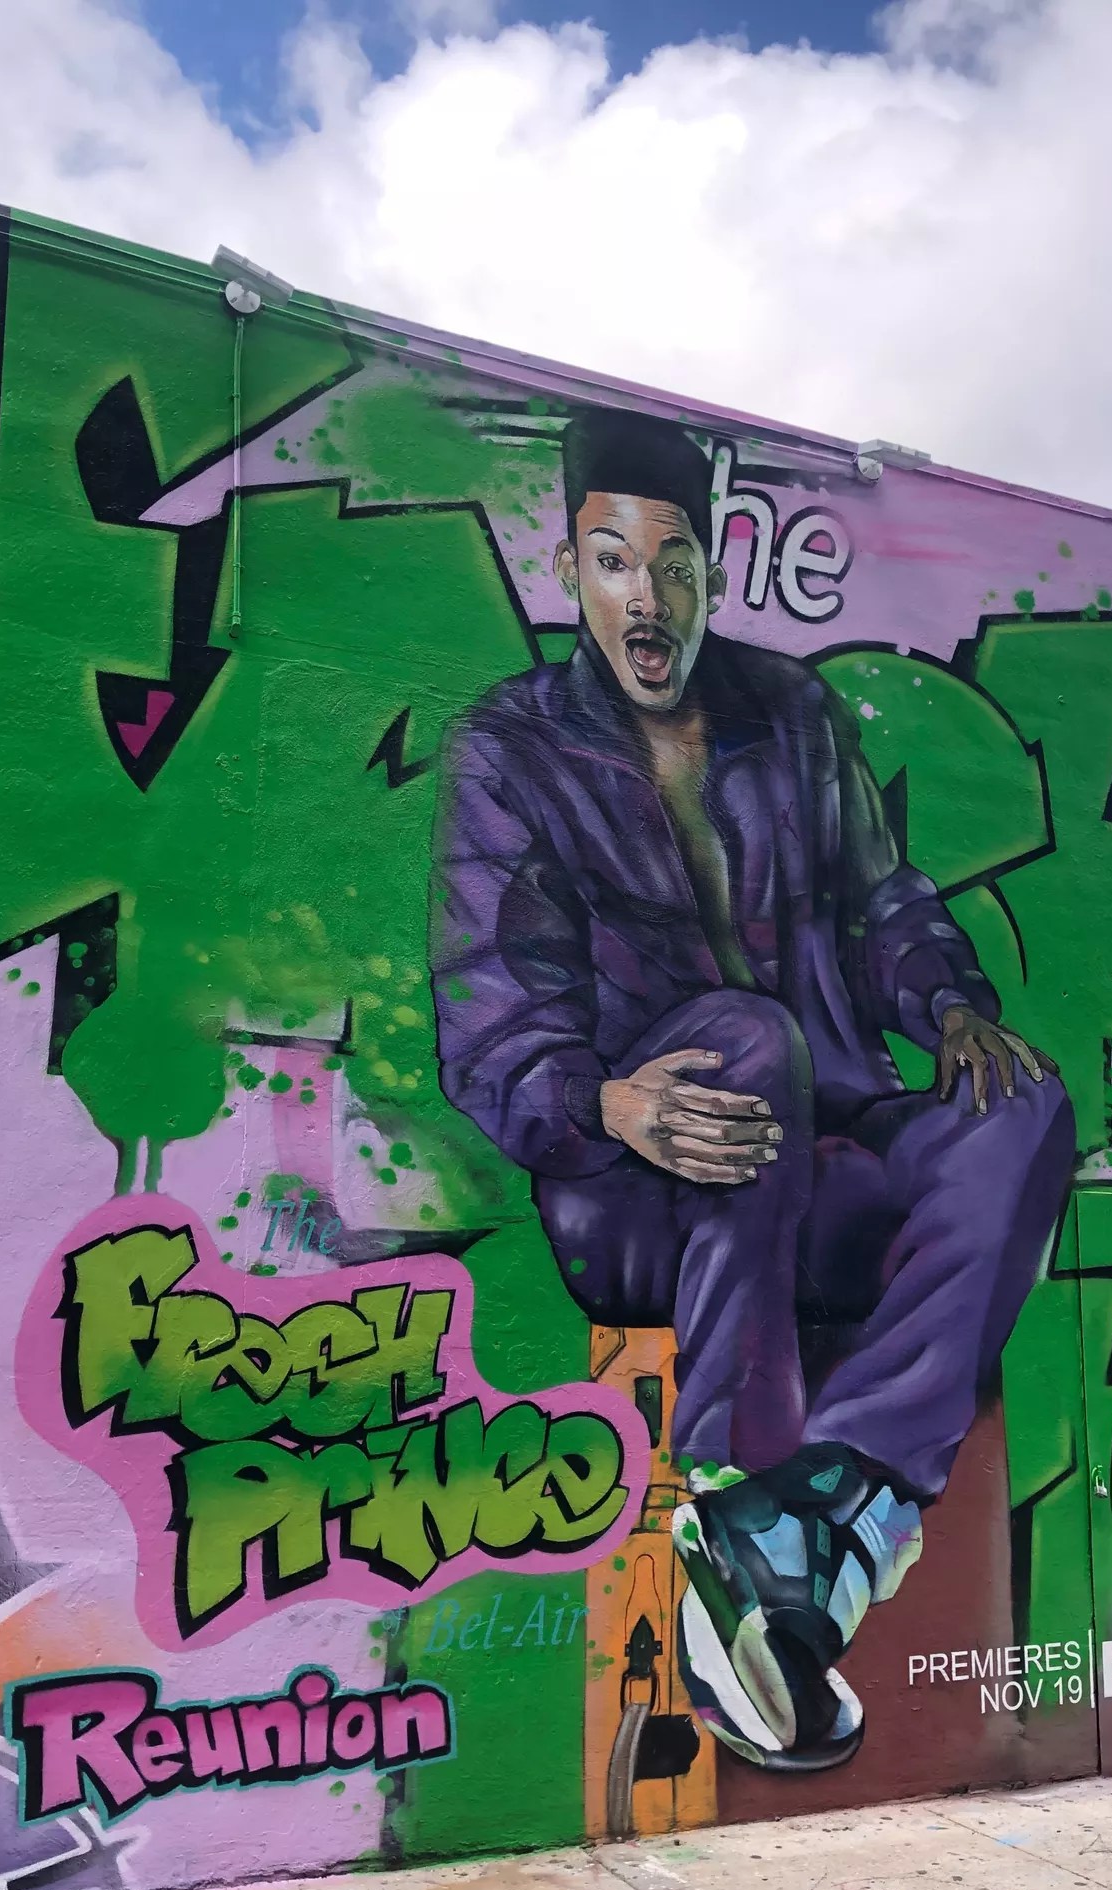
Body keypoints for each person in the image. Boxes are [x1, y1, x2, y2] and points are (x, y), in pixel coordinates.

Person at [433, 408, 1075, 1771]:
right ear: (569, 569)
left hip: (825, 1144)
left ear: (712, 573)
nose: (646, 596)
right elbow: (489, 1020)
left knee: (1021, 1105)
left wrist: (951, 1005)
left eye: (673, 563)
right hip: (629, 1190)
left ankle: (824, 1511)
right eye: (615, 561)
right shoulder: (511, 747)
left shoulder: (793, 713)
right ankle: (736, 1478)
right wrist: (606, 1105)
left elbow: (885, 903)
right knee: (741, 1036)